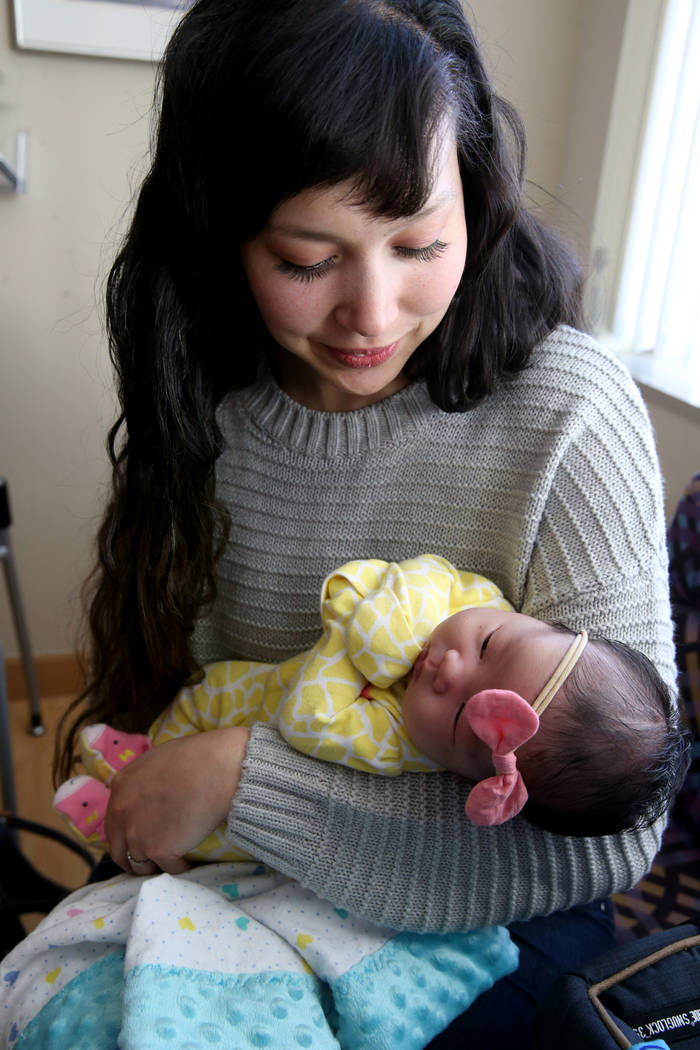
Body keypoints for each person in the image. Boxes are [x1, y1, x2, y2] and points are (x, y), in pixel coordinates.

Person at [50, 0, 679, 1045]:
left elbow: (607, 839)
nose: (373, 315)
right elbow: (169, 735)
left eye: (421, 243)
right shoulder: (210, 410)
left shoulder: (570, 411)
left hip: (501, 924)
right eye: (306, 260)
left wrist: (240, 780)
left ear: (475, 201)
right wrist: (187, 788)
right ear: (221, 232)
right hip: (239, 888)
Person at [54, 553, 687, 862]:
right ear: (533, 617)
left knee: (176, 839)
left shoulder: (396, 745)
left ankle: (105, 804)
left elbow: (307, 718)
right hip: (210, 694)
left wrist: (352, 640)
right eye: (489, 642)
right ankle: (136, 757)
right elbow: (420, 573)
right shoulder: (480, 598)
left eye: (464, 718)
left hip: (229, 820)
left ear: (475, 777)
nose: (449, 668)